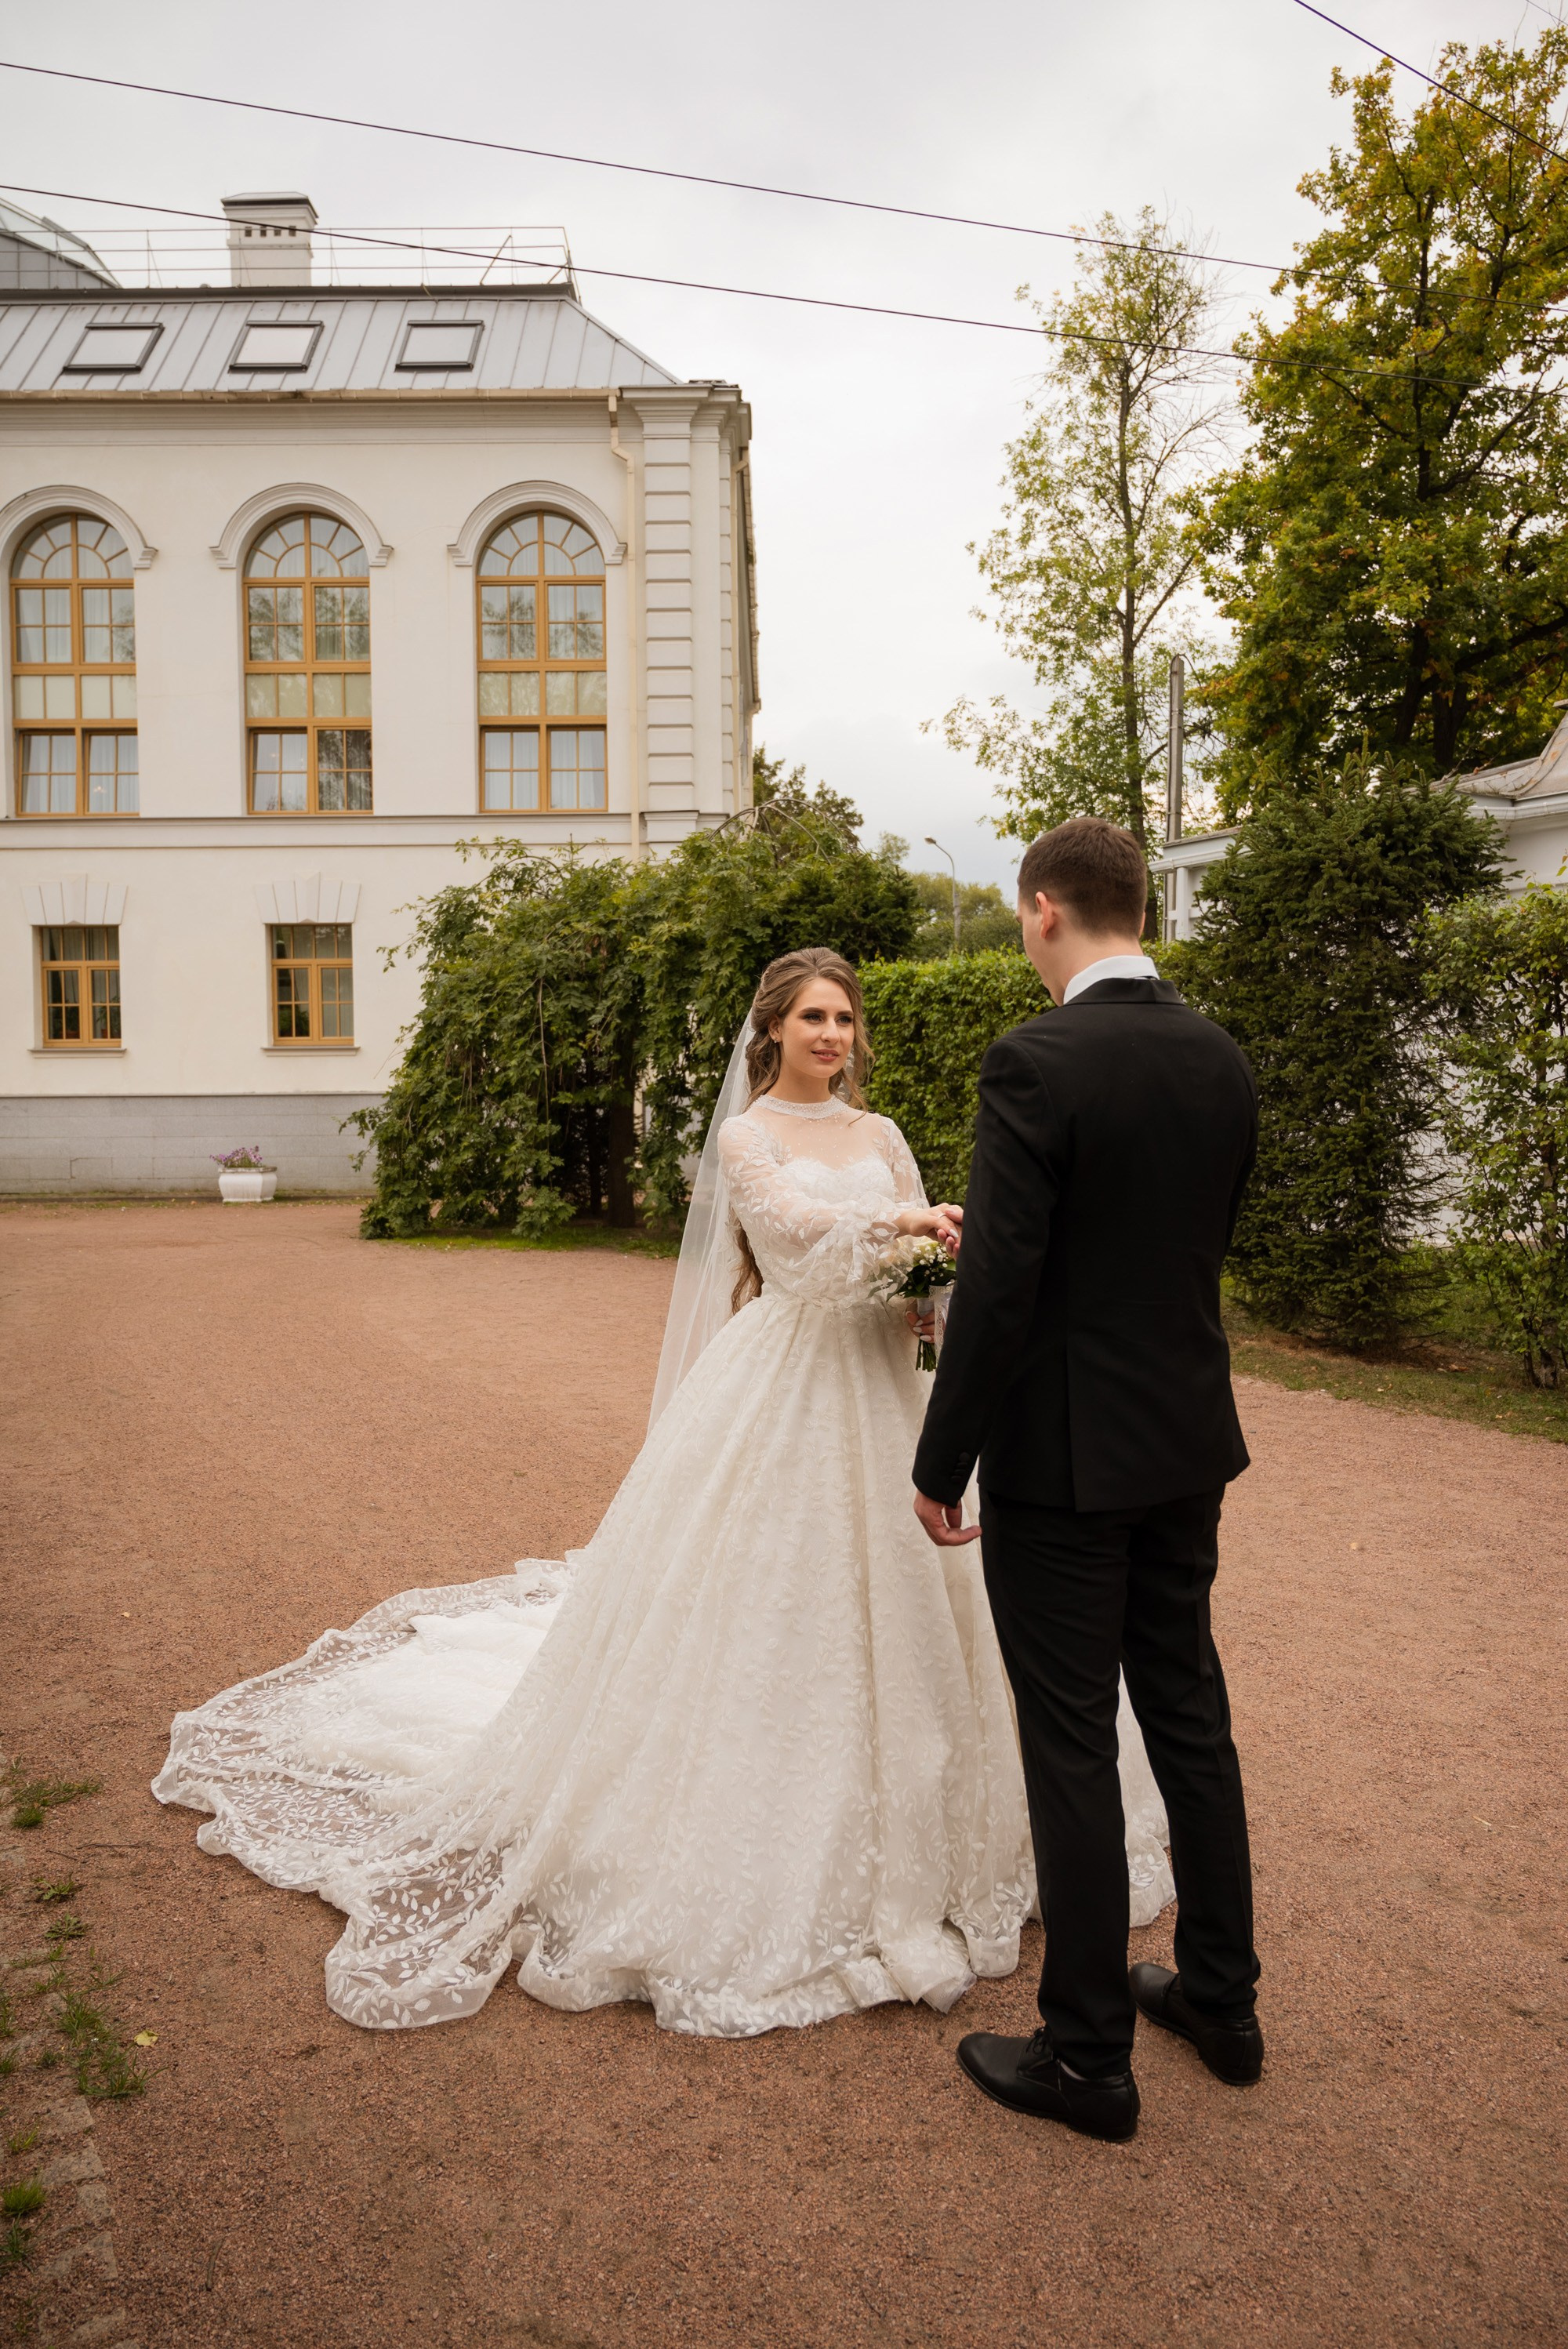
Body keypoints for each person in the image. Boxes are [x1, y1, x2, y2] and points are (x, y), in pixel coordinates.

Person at [154, 947, 1172, 2039]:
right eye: (813, 1018)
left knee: (939, 1608)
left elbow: (915, 1254)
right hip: (786, 1390)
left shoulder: (880, 1137)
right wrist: (900, 1232)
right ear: (773, 1030)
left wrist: (932, 1291)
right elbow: (788, 1236)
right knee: (768, 1606)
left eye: (844, 1018)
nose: (833, 1035)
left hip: (887, 1390)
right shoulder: (747, 1135)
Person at [913, 818, 1262, 2144]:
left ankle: (1087, 2057)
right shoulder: (1219, 1057)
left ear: (1046, 910)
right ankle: (1224, 2005)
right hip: (1186, 1441)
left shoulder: (1037, 1061)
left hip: (1063, 1460)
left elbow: (1000, 1290)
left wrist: (943, 1458)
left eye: (1019, 915)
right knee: (1188, 1714)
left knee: (1069, 1740)